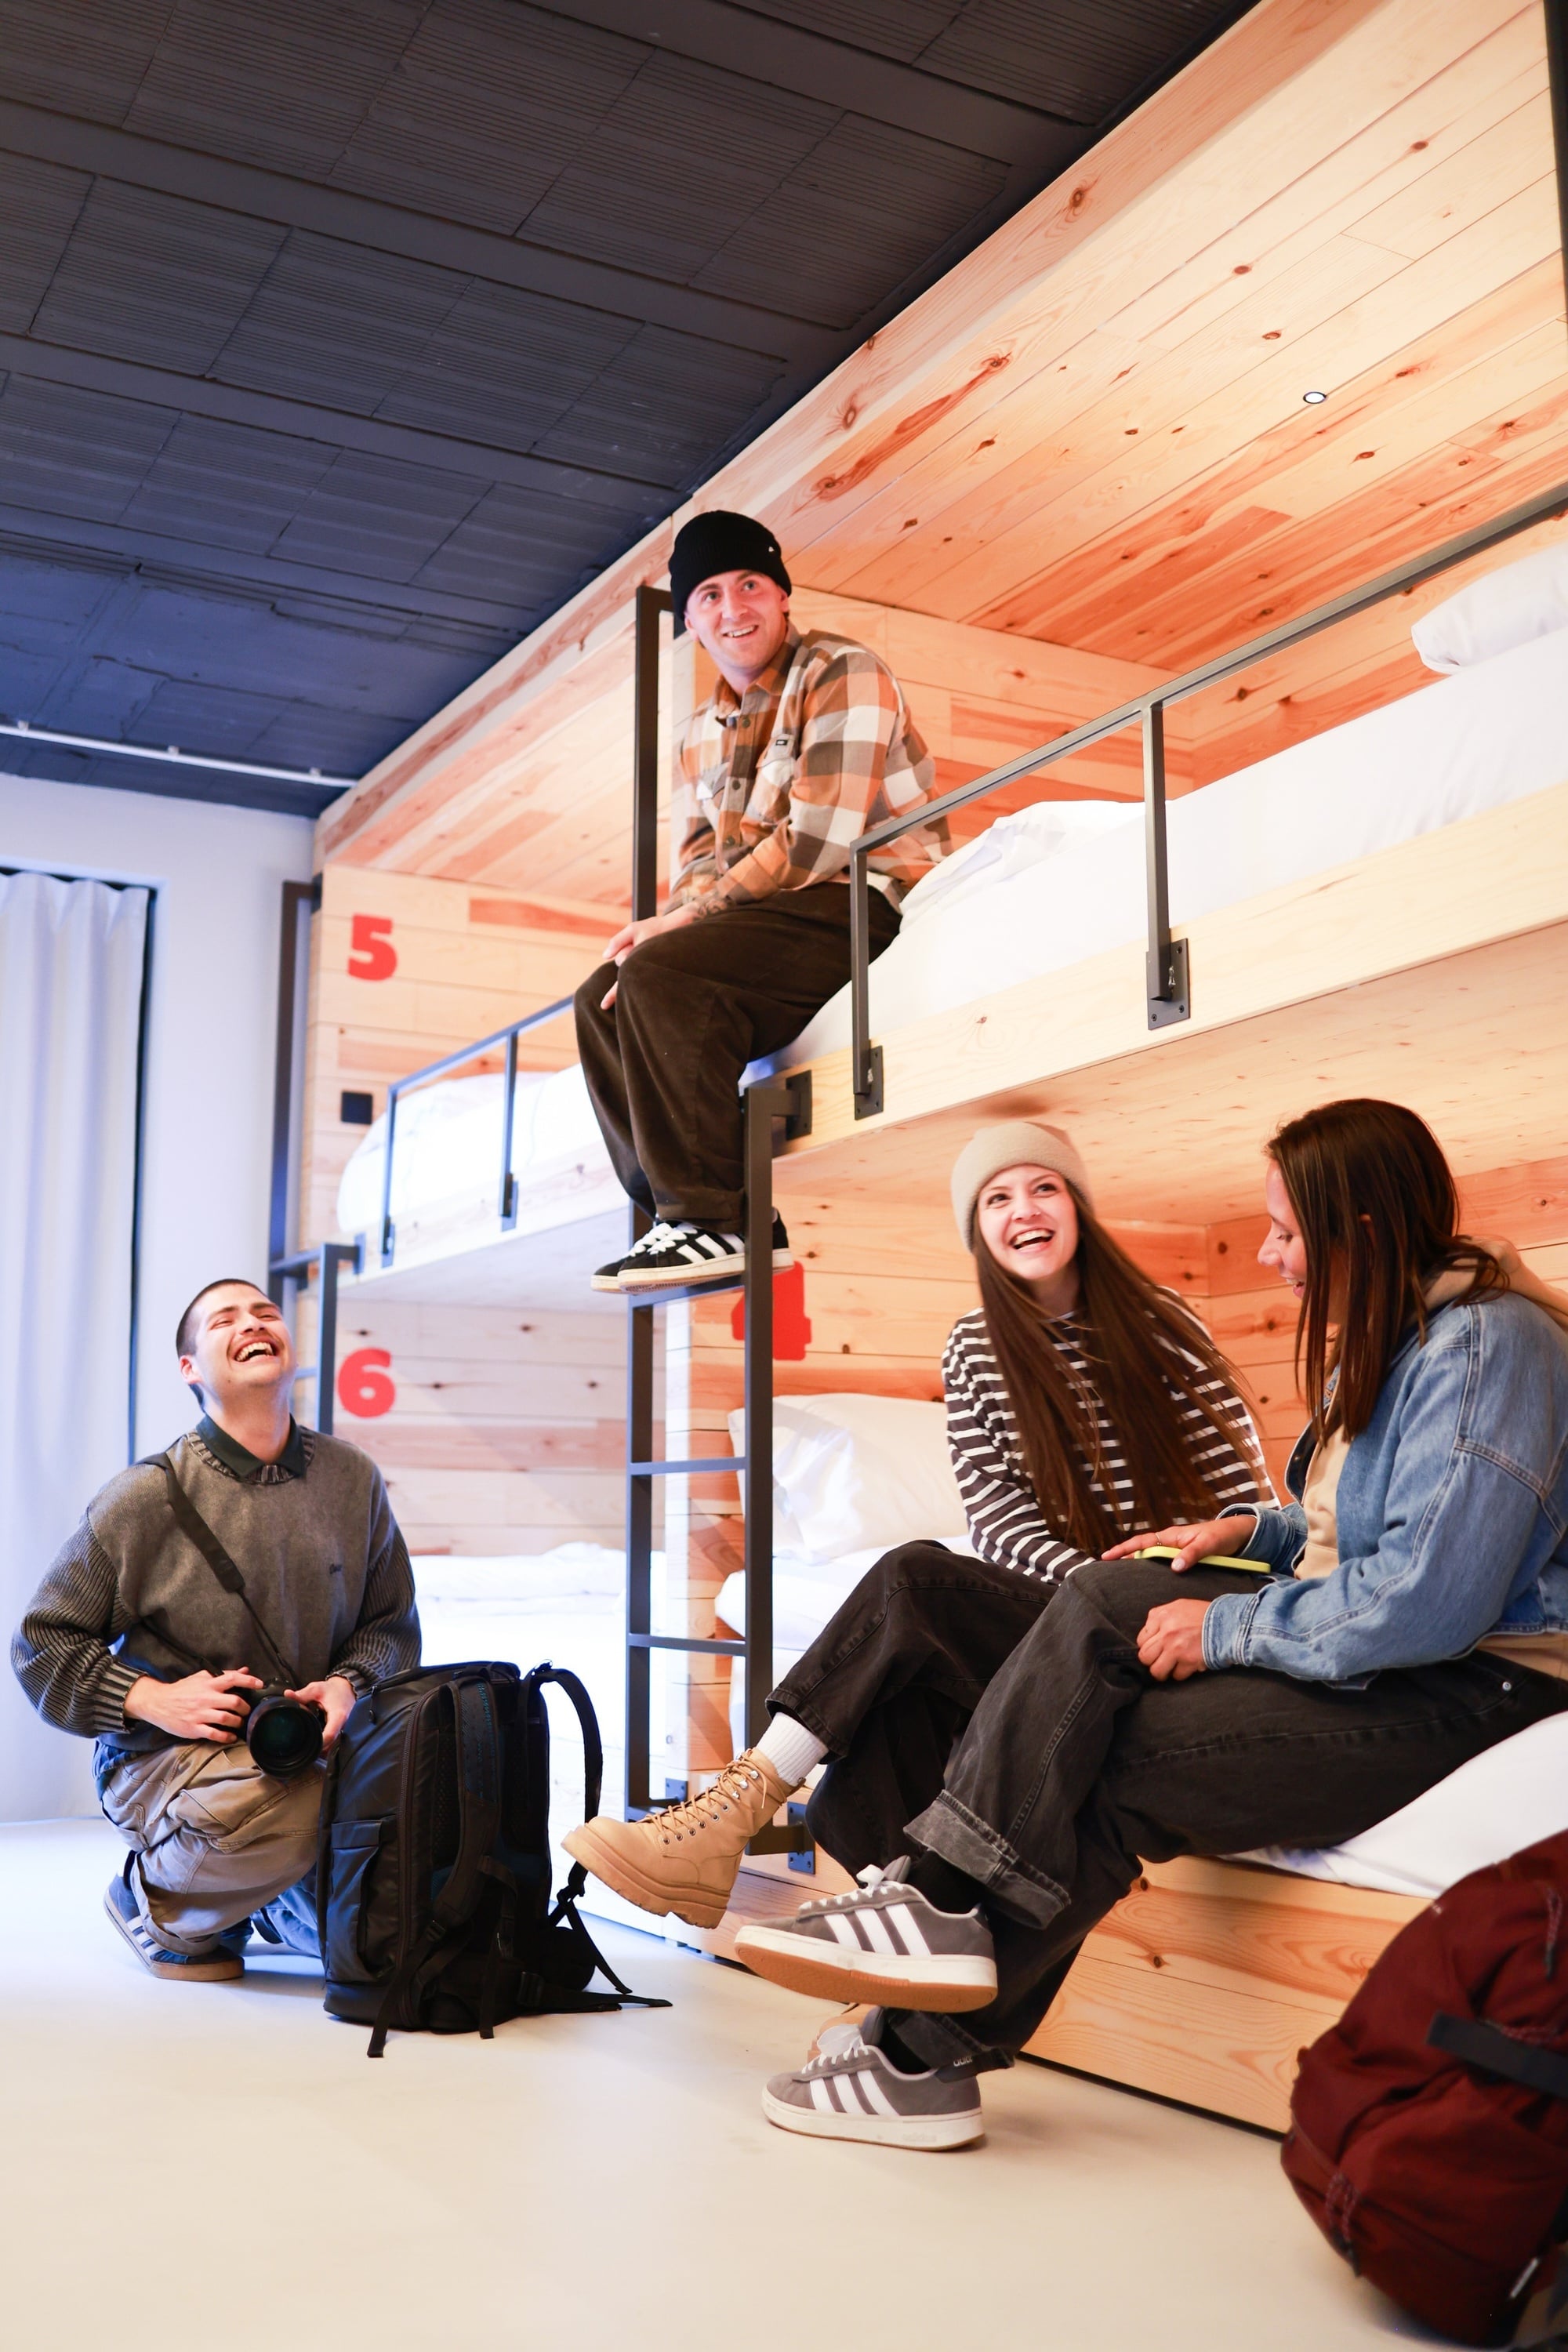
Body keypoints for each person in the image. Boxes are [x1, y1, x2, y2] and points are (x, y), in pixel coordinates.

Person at [720, 1099, 1568, 2151]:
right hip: (1378, 1652)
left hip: (1469, 1680)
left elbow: (1429, 1597)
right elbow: (1362, 1524)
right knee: (1068, 1599)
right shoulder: (1404, 1337)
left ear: (1356, 1227)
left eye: (1288, 1232)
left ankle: (920, 2012)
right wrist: (1248, 1531)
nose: (1272, 1254)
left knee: (1108, 1729)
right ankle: (915, 1957)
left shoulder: (1489, 1346)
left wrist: (1229, 1628)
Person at [565, 1120, 1267, 1940]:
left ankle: (737, 1817)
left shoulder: (1166, 1325)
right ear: (977, 1230)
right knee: (890, 1713)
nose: (1023, 1210)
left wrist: (1154, 1588)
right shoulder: (977, 1348)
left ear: (1076, 1206)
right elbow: (1001, 1528)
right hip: (1072, 1623)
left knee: (914, 1578)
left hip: (1171, 1621)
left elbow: (1243, 1506)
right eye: (996, 1199)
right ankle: (904, 1931)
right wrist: (1091, 1594)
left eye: (1043, 1188)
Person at [575, 508, 949, 1293]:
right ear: (691, 620)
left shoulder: (843, 671)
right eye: (709, 594)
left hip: (857, 902)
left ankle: (707, 1219)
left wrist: (686, 923)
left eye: (750, 584)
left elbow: (818, 843)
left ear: (782, 595)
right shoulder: (698, 732)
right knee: (605, 992)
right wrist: (672, 924)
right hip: (767, 922)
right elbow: (700, 862)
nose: (732, 607)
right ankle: (693, 1218)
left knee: (660, 973)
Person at [12, 1278, 419, 1981]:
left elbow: (390, 1626)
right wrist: (148, 1699)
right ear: (190, 1369)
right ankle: (153, 1901)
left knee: (391, 1940)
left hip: (304, 1751)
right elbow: (41, 1644)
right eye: (224, 1319)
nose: (253, 1322)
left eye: (265, 1312)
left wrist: (351, 1686)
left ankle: (269, 1900)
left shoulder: (354, 1478)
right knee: (305, 1810)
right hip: (160, 1759)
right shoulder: (143, 1497)